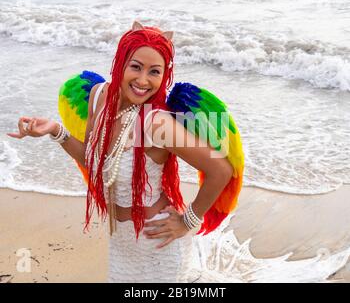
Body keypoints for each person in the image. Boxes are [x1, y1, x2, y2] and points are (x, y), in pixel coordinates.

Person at [7, 21, 234, 282]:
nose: (143, 80)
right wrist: (56, 130)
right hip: (121, 242)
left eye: (154, 72)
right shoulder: (98, 96)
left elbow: (221, 170)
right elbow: (97, 165)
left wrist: (188, 221)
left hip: (156, 244)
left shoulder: (155, 122)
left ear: (164, 76)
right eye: (136, 66)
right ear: (121, 62)